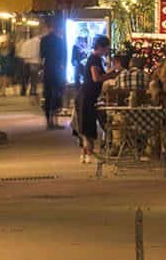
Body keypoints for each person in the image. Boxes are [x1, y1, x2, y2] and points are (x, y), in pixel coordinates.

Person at [76, 35, 116, 163]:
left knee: (85, 125)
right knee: (88, 126)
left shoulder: (95, 59)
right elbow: (96, 78)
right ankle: (87, 154)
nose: (106, 52)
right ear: (99, 47)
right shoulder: (94, 59)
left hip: (87, 96)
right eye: (106, 49)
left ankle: (84, 155)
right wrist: (111, 74)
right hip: (87, 96)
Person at [38, 18, 68, 129]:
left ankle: (48, 121)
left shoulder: (44, 40)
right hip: (58, 70)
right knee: (57, 95)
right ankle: (54, 121)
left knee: (48, 95)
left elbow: (42, 55)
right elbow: (64, 57)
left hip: (48, 69)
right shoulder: (60, 41)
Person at [18, 29, 42, 98]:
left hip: (26, 61)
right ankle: (33, 91)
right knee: (34, 78)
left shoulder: (26, 43)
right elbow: (40, 52)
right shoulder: (38, 42)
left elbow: (21, 54)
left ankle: (23, 90)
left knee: (25, 77)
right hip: (35, 61)